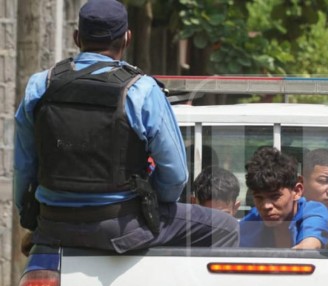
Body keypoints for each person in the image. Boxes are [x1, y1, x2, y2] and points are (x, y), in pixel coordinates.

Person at [14, 0, 239, 253]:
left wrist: (32, 217)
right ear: (127, 38)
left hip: (52, 223)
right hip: (121, 227)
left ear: (77, 37)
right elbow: (176, 175)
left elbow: (24, 166)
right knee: (226, 227)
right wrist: (153, 205)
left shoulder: (40, 85)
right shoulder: (141, 90)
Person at [239, 147, 328, 249]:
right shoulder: (253, 218)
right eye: (259, 197)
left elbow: (310, 243)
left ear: (297, 191)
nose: (266, 206)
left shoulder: (313, 211)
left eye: (275, 197)